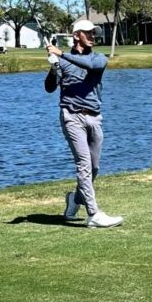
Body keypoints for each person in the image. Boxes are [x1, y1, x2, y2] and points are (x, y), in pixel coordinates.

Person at [44, 19, 124, 228]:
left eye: (93, 33)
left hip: (95, 117)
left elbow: (91, 66)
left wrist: (61, 55)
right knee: (84, 163)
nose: (93, 36)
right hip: (72, 116)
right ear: (77, 35)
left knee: (94, 167)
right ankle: (93, 214)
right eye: (88, 33)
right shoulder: (62, 61)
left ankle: (75, 199)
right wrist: (54, 69)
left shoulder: (99, 58)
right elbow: (50, 88)